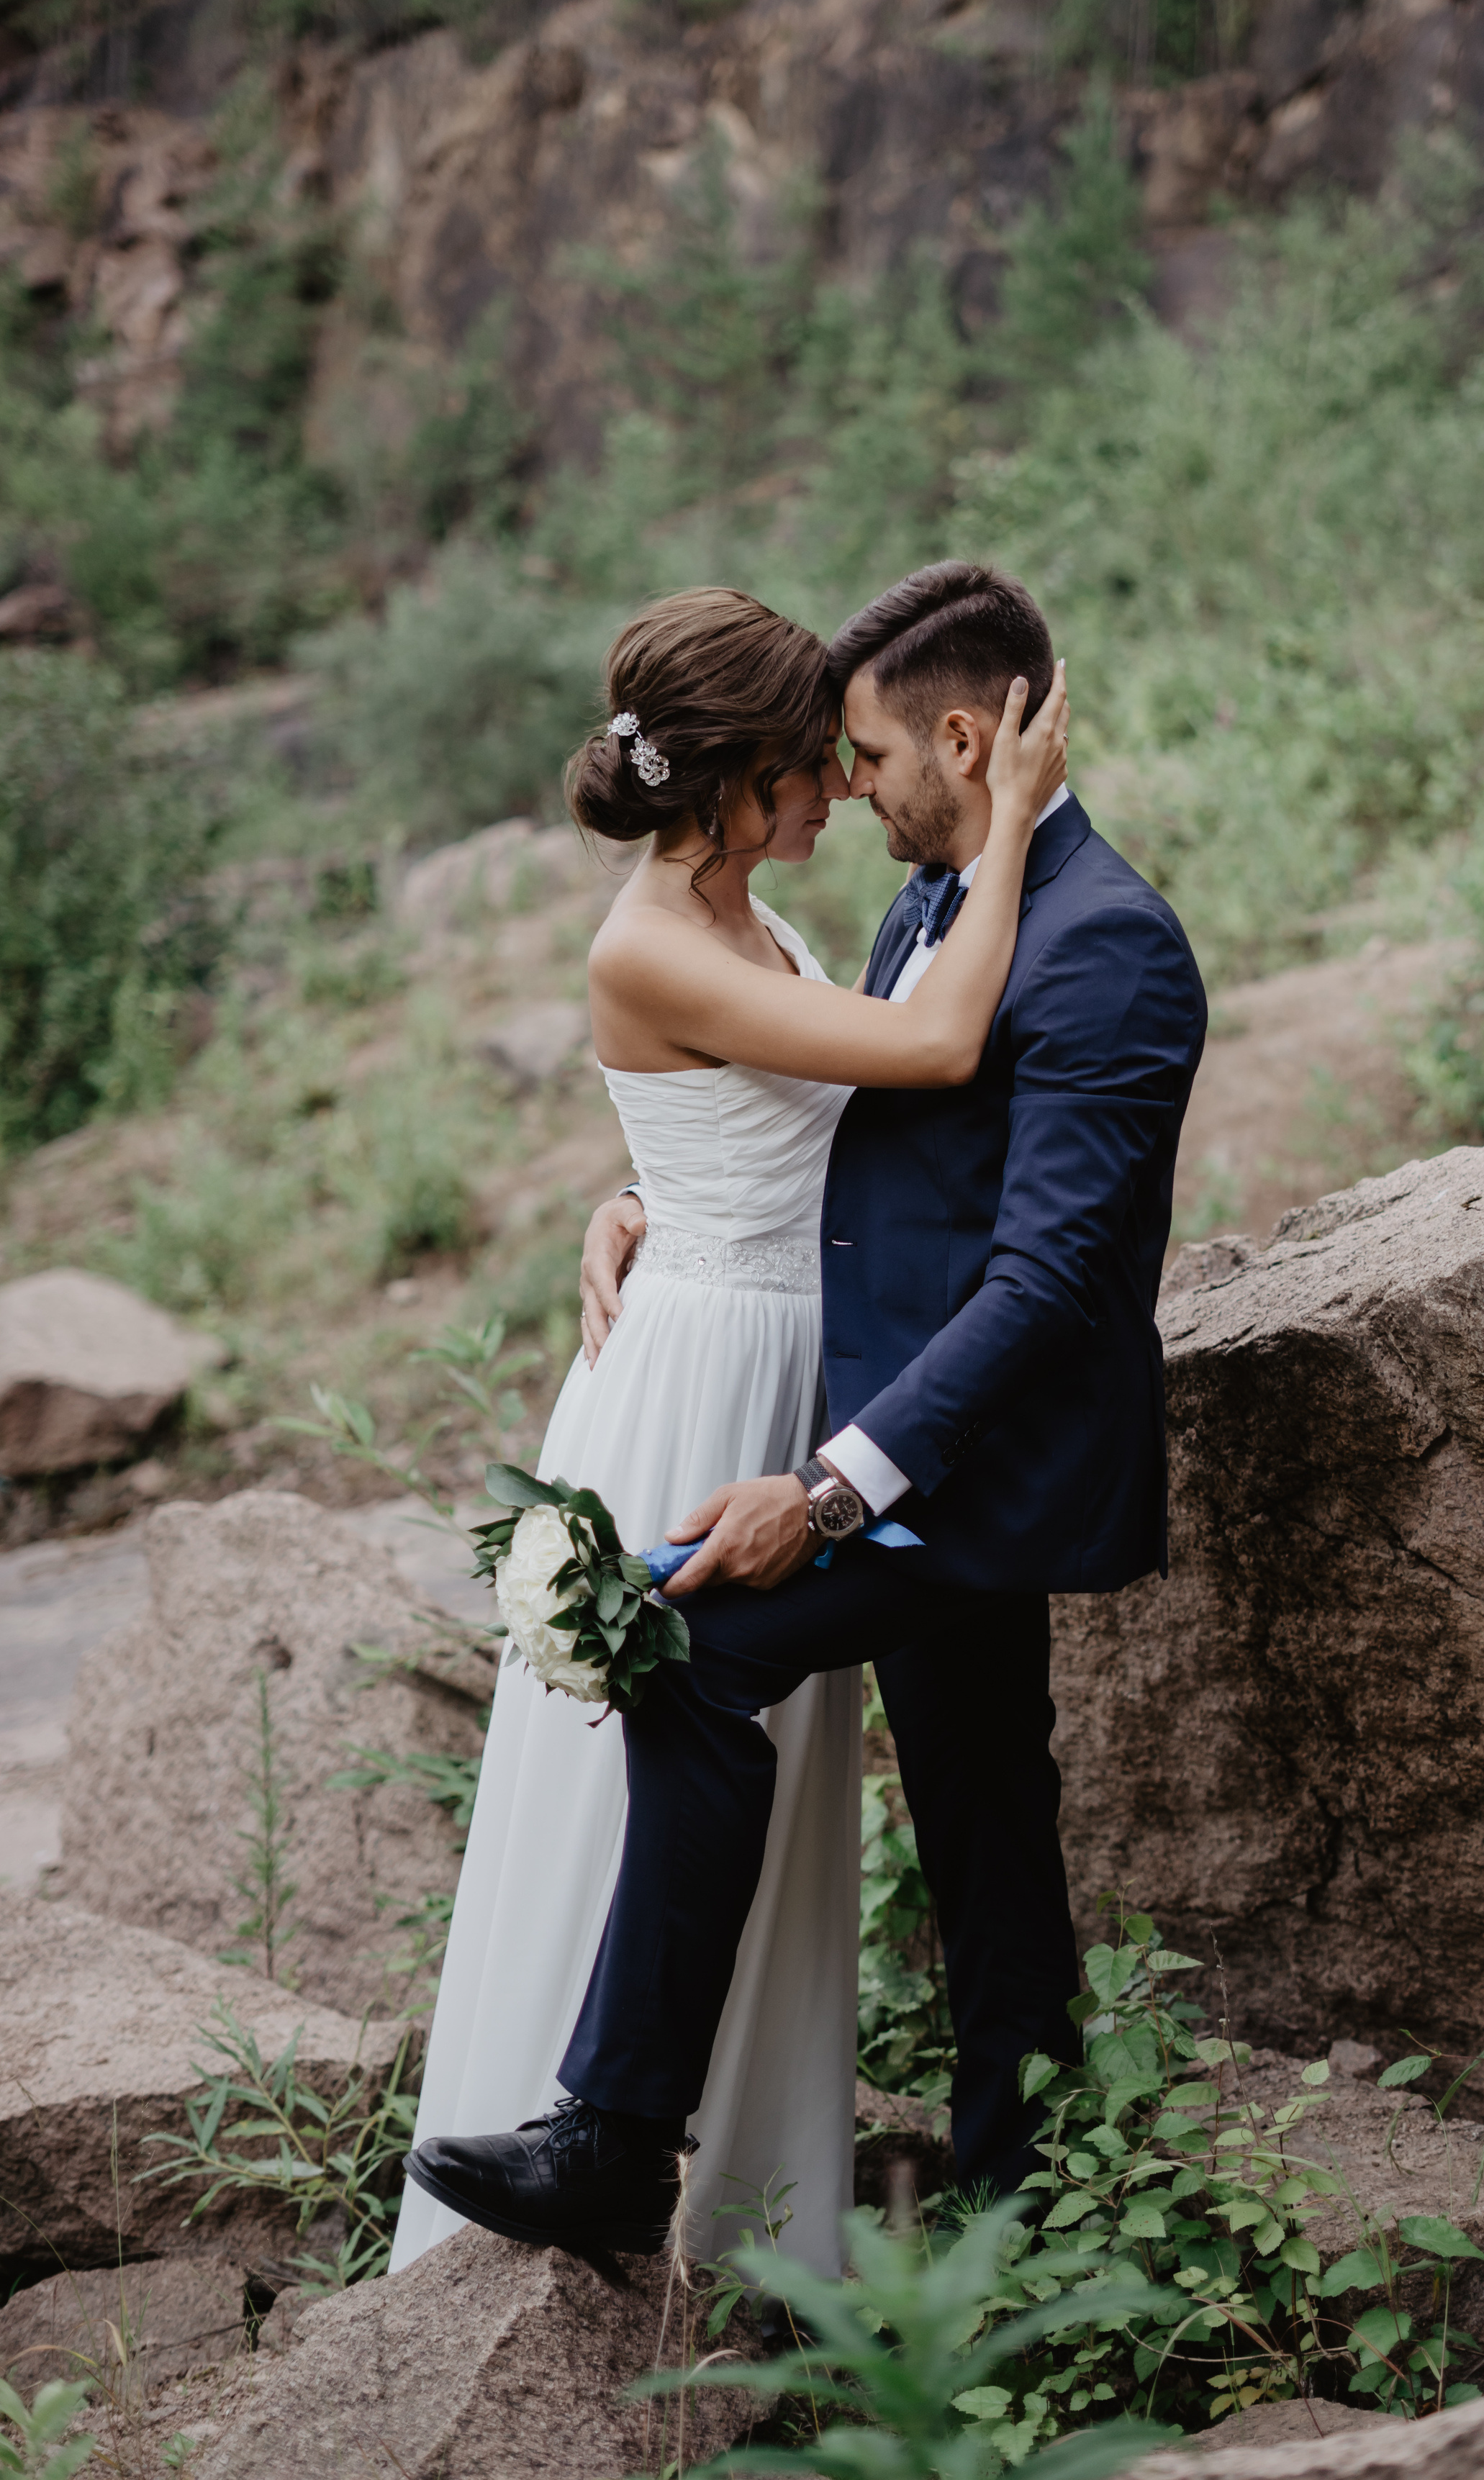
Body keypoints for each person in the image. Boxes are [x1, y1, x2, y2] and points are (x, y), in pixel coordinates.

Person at [392, 578, 1070, 2276]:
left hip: (794, 1356)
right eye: (808, 767)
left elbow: (766, 1116)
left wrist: (643, 1184)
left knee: (755, 1787)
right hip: (699, 1374)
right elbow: (926, 1044)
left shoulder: (746, 914)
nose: (842, 791)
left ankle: (738, 2202)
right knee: (653, 1753)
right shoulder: (645, 939)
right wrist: (1009, 834)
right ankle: (573, 2140)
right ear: (730, 782)